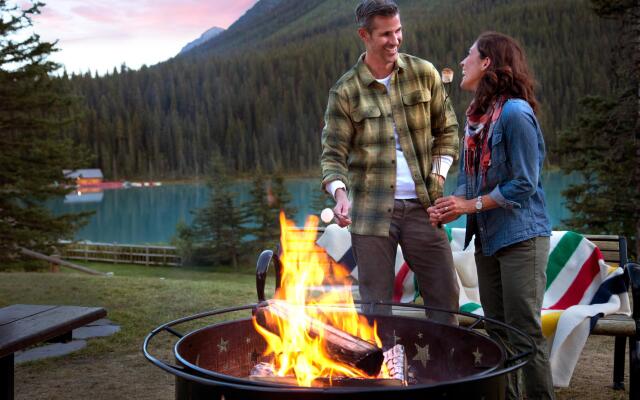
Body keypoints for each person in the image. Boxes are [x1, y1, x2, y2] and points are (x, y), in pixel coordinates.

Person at [428, 31, 554, 399]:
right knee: (498, 332)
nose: (463, 61)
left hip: (522, 238)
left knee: (524, 332)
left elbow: (525, 183)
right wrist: (450, 205)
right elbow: (468, 182)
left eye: (469, 55)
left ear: (486, 63)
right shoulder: (475, 120)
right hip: (487, 240)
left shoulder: (516, 113)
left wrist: (471, 206)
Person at [320, 0, 459, 324]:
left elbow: (448, 132)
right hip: (369, 212)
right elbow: (333, 154)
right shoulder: (345, 91)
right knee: (375, 307)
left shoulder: (424, 74)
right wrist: (341, 197)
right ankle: (382, 371)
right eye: (385, 34)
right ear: (364, 35)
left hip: (425, 207)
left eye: (398, 30)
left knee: (444, 295)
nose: (395, 40)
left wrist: (437, 181)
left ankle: (446, 369)